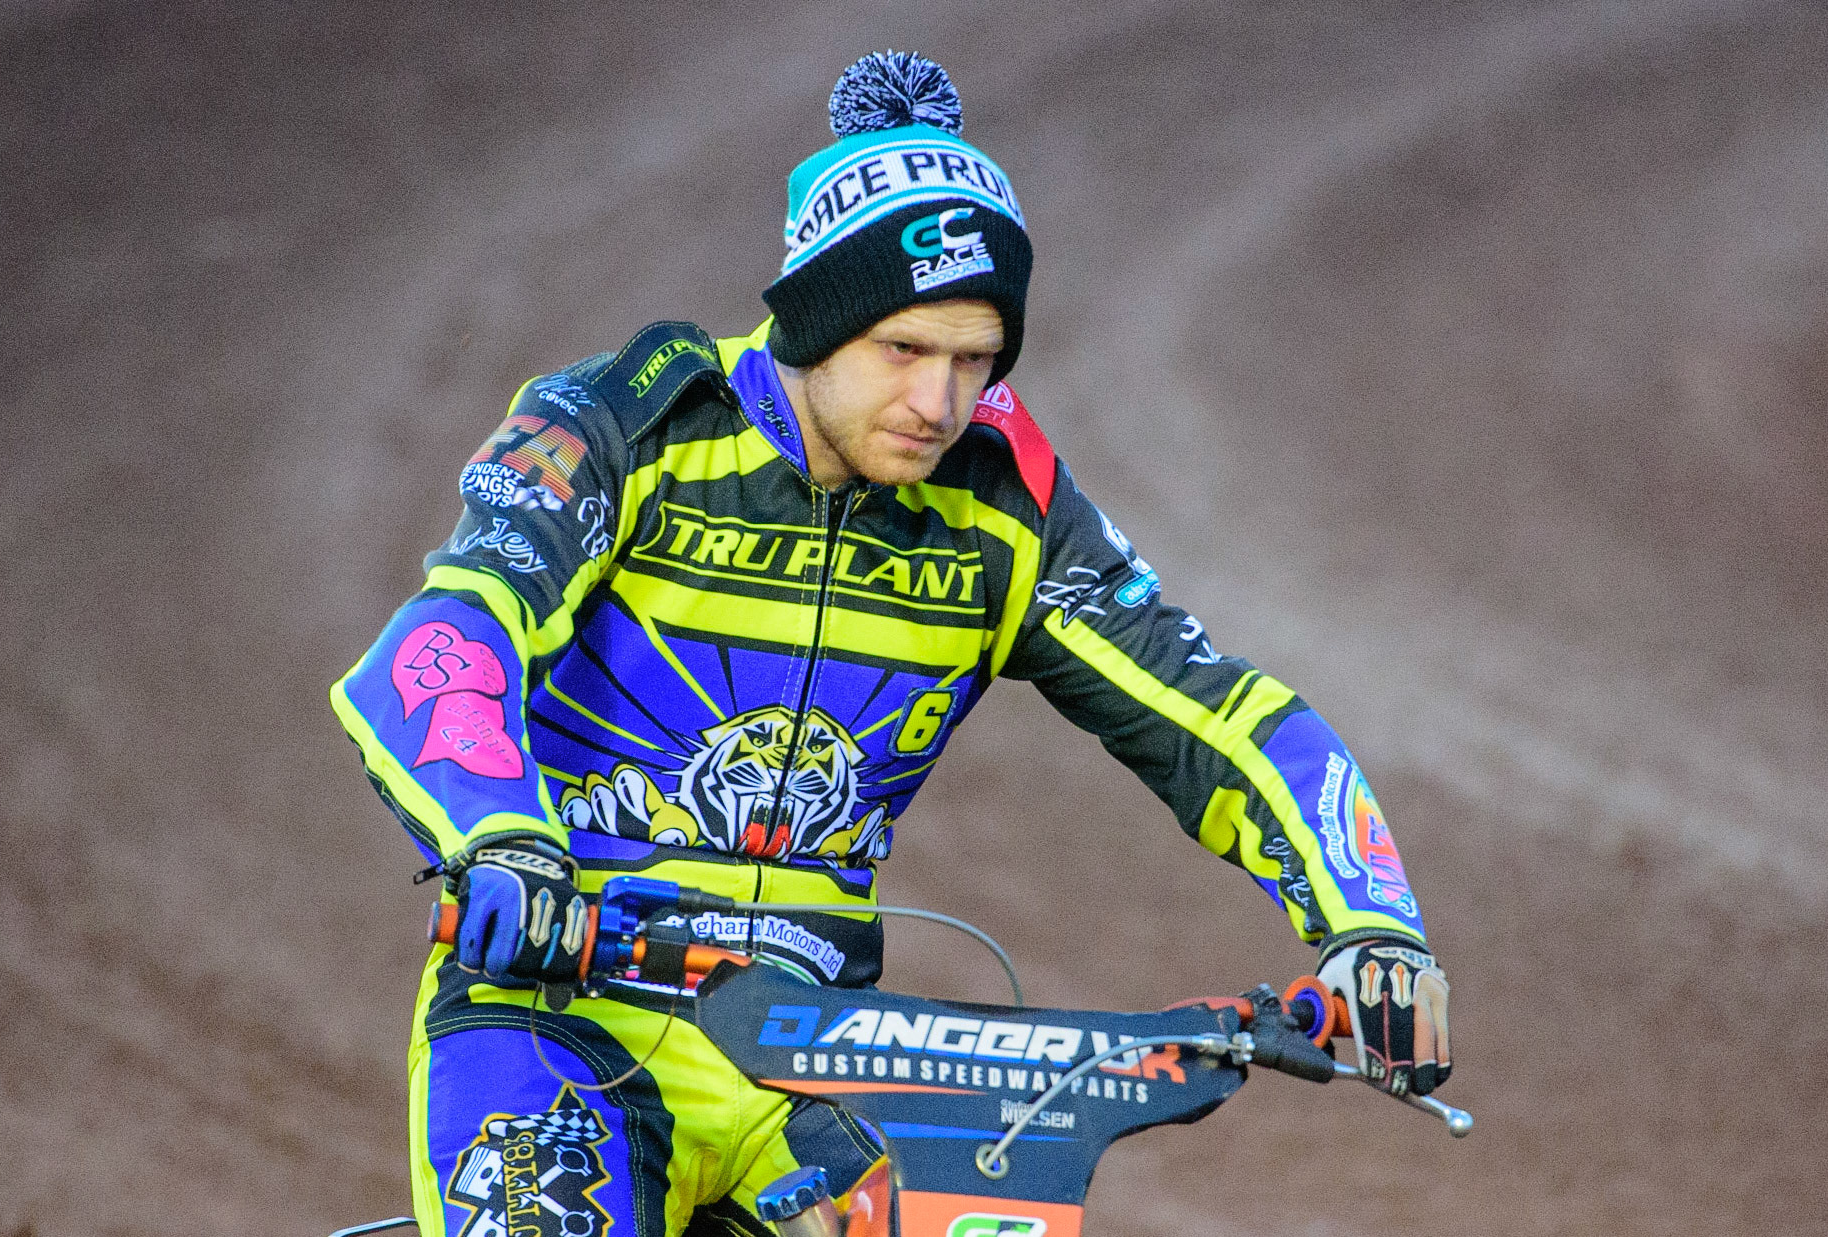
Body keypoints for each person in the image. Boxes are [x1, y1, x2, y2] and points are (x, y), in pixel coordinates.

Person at [332, 51, 1452, 1237]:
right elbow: (443, 644)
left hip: (812, 1053)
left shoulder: (1004, 506)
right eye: (903, 350)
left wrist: (1371, 926)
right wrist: (501, 836)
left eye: (976, 359)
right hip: (555, 1023)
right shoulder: (624, 420)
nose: (939, 402)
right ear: (814, 316)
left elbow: (1216, 716)